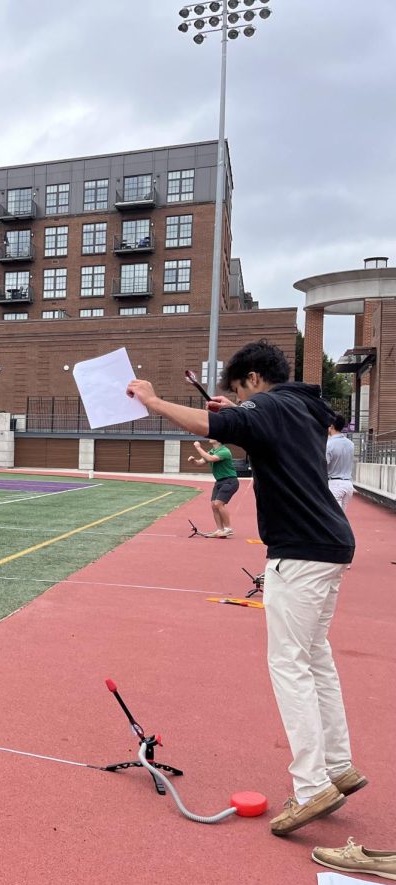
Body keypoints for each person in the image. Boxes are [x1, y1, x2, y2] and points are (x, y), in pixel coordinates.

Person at [127, 340, 362, 837]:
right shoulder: (301, 406)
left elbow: (208, 426)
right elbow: (253, 426)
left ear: (253, 379)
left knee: (289, 665)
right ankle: (338, 767)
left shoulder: (271, 406)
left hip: (300, 550)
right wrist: (241, 410)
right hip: (330, 544)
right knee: (315, 657)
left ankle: (312, 785)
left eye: (239, 389)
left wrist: (151, 400)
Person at [186, 438, 239, 537]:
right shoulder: (212, 451)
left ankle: (228, 529)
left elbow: (210, 459)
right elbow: (199, 463)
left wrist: (198, 447)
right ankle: (220, 530)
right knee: (213, 506)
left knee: (219, 503)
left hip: (230, 480)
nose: (210, 437)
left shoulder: (225, 451)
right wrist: (193, 461)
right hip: (219, 481)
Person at [326, 414, 355, 511]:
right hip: (348, 484)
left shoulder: (329, 445)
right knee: (342, 516)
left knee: (334, 517)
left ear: (332, 426)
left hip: (335, 484)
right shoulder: (351, 444)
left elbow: (325, 464)